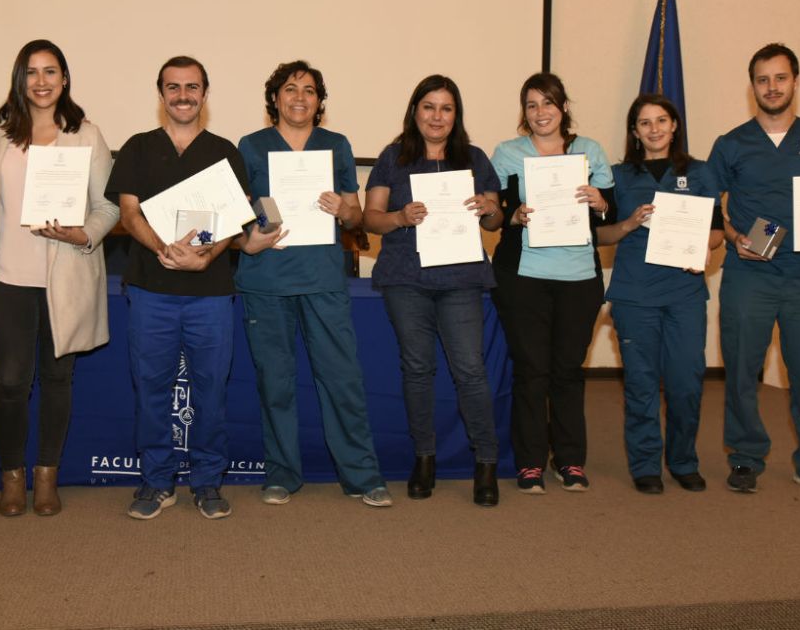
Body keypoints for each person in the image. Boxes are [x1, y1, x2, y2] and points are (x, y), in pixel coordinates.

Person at [105, 56, 272, 521]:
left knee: (210, 392)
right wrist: (164, 249)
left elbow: (234, 220)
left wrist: (205, 255)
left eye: (192, 87)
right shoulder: (137, 148)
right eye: (173, 87)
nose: (183, 95)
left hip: (211, 294)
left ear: (205, 93)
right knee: (152, 389)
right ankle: (157, 483)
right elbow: (128, 213)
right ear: (161, 94)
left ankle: (207, 483)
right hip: (150, 291)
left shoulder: (225, 152)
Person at [0, 40, 119, 516]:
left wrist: (84, 233)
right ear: (20, 79)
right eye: (31, 72)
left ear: (65, 78)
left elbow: (108, 205)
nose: (41, 81)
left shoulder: (86, 134)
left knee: (58, 379)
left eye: (51, 72)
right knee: (11, 381)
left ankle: (46, 476)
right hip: (9, 276)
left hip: (67, 275)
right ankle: (12, 477)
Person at [237, 60, 392, 507]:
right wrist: (251, 236)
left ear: (319, 102)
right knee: (276, 383)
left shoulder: (336, 145)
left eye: (309, 90)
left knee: (341, 378)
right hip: (267, 279)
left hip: (323, 277)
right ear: (275, 98)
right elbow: (238, 210)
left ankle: (362, 476)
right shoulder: (251, 146)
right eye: (290, 88)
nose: (299, 97)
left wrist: (346, 213)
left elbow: (356, 212)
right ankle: (282, 475)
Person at [708, 43, 800, 496]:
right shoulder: (731, 144)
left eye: (780, 78)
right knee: (741, 371)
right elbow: (709, 208)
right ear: (752, 86)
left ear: (795, 81)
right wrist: (734, 238)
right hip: (749, 278)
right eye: (762, 79)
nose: (771, 87)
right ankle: (746, 458)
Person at [363, 75, 501, 506]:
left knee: (470, 371)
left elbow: (495, 222)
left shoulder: (475, 158)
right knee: (417, 370)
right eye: (429, 107)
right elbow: (370, 218)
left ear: (455, 115)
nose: (437, 116)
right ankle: (425, 457)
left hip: (460, 279)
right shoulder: (392, 156)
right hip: (407, 279)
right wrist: (400, 217)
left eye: (446, 108)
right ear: (415, 110)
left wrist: (492, 208)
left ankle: (486, 461)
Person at [490, 72, 614, 494]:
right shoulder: (507, 154)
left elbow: (612, 214)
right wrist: (514, 215)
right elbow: (496, 214)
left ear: (563, 107)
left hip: (578, 277)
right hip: (524, 276)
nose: (541, 112)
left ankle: (570, 461)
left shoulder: (590, 151)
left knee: (567, 371)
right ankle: (529, 462)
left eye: (548, 103)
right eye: (531, 105)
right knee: (531, 371)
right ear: (523, 113)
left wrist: (601, 203)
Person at [597, 94, 723, 494]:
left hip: (684, 294)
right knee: (641, 384)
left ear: (674, 126)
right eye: (644, 122)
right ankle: (646, 464)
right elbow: (600, 235)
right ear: (635, 131)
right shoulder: (617, 176)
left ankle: (683, 460)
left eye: (661, 120)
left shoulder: (701, 172)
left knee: (686, 383)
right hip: (635, 295)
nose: (654, 129)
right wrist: (631, 223)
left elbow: (717, 232)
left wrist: (704, 249)